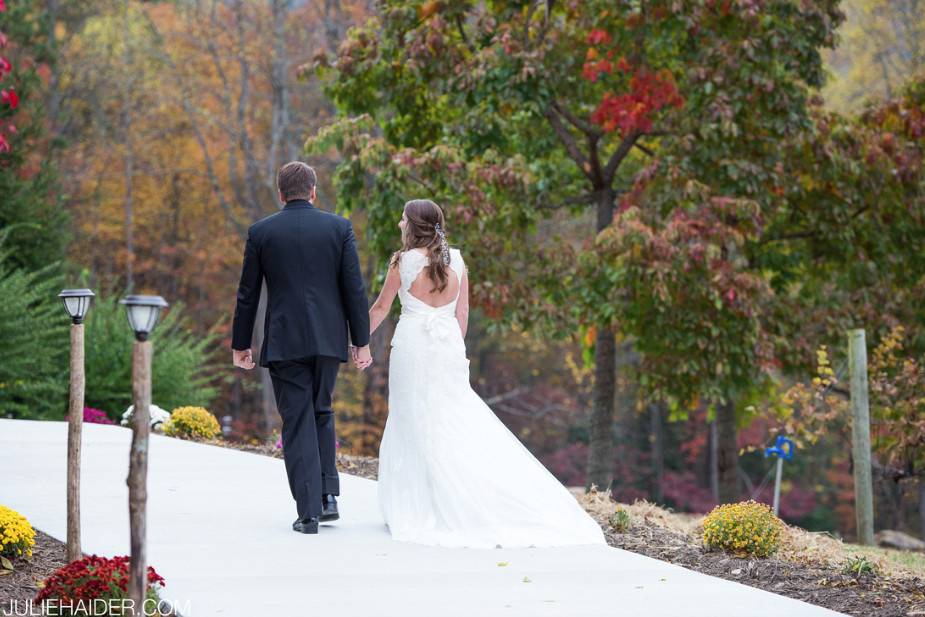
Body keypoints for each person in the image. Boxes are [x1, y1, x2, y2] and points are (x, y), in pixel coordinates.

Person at [367, 199, 605, 548]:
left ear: (414, 226)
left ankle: (419, 504)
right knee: (449, 419)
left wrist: (357, 342)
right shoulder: (458, 261)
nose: (399, 224)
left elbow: (381, 307)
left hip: (413, 348)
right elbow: (461, 314)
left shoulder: (402, 262)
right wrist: (451, 350)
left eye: (403, 219)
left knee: (411, 419)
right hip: (447, 348)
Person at [231, 161, 371, 535]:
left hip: (285, 340)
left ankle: (308, 511)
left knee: (297, 422)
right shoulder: (339, 228)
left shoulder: (261, 232)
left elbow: (248, 293)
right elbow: (353, 288)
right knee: (321, 410)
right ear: (313, 191)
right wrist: (362, 341)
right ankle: (328, 498)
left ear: (281, 194)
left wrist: (240, 344)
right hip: (327, 339)